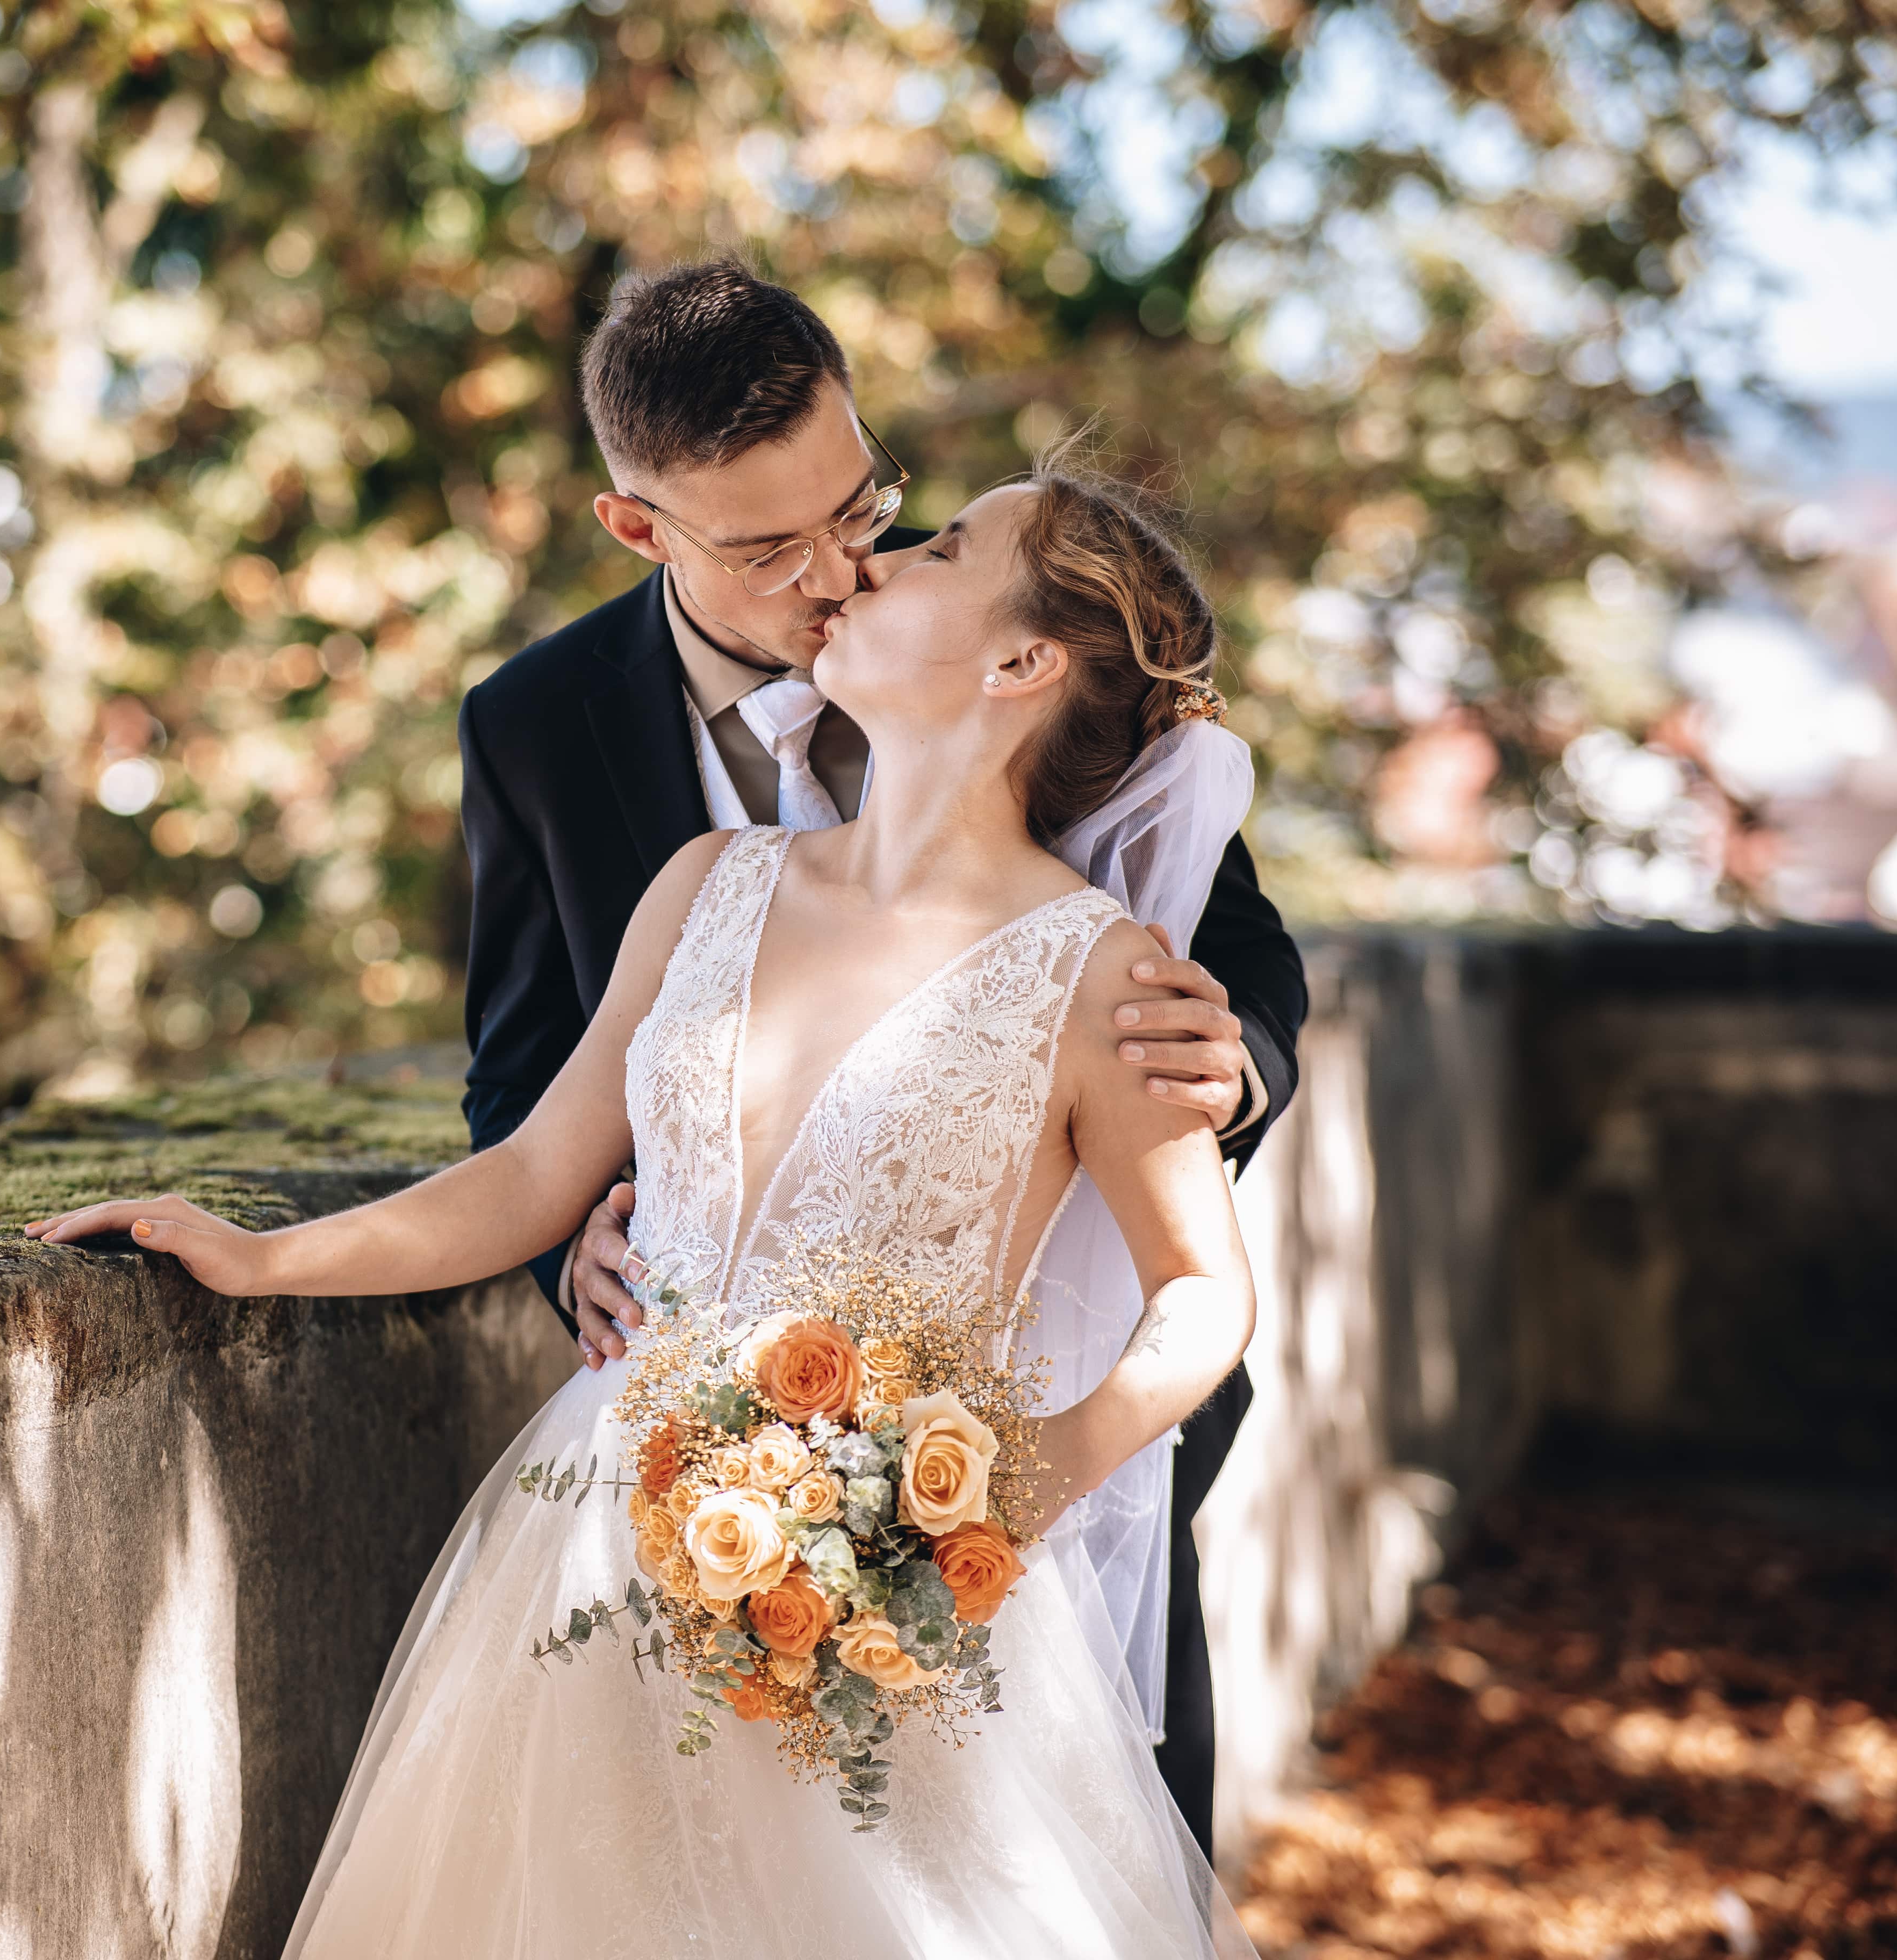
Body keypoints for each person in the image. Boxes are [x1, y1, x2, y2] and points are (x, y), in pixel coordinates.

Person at [32, 448, 1264, 1956]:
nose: (870, 563)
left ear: (1021, 659)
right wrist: (261, 1256)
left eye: (939, 548)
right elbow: (537, 1176)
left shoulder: (1106, 973)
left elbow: (1203, 1292)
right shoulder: (707, 884)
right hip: (598, 1549)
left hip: (892, 1574)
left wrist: (1024, 1477)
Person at [454, 262, 1305, 1850]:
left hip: (1029, 1431)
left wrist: (1219, 1066)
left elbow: (1232, 944)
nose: (844, 569)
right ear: (644, 529)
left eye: (866, 504)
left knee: (1091, 1856)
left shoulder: (979, 620)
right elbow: (522, 1080)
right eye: (773, 551)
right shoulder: (534, 725)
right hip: (690, 1468)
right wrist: (574, 1242)